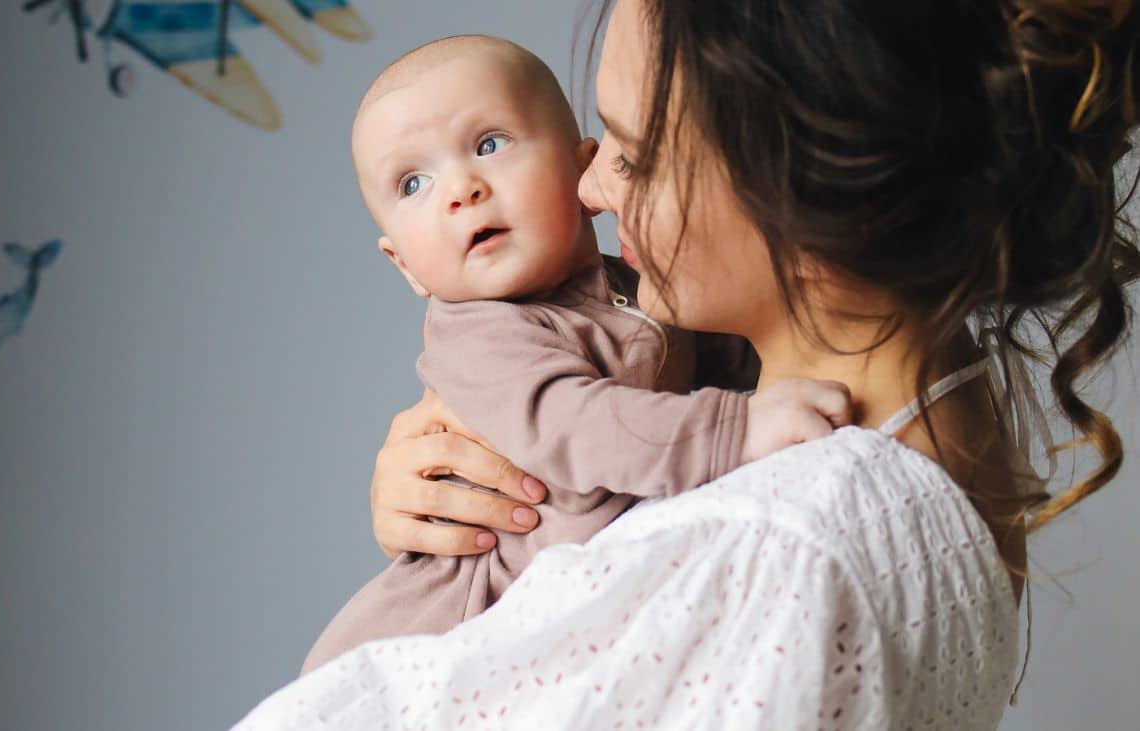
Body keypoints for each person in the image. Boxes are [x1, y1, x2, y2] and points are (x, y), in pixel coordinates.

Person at [235, 0, 1138, 727]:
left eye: (628, 152)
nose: (590, 189)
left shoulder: (772, 549)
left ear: (792, 184)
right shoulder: (943, 409)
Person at [299, 34, 856, 675]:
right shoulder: (482, 337)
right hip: (445, 641)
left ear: (582, 171)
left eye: (489, 144)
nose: (460, 188)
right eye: (414, 182)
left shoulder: (639, 286)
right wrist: (740, 428)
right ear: (405, 266)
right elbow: (583, 428)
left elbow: (729, 362)